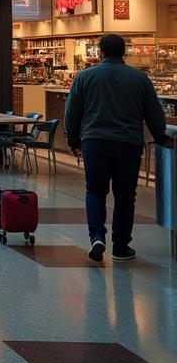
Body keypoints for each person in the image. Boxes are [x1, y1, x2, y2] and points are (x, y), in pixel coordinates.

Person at [64, 33, 167, 263]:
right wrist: (161, 138)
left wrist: (73, 141)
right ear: (124, 53)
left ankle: (97, 237)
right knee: (125, 196)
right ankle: (121, 246)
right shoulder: (139, 79)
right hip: (128, 145)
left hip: (94, 142)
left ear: (100, 52)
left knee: (95, 191)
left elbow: (72, 113)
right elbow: (155, 115)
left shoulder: (85, 77)